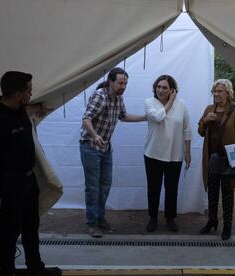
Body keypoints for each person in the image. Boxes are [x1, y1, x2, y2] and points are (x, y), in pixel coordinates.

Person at [0, 71, 61, 276]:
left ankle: (35, 268)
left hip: (27, 181)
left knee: (31, 228)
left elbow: (31, 108)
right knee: (9, 232)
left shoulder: (19, 110)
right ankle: (7, 271)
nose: (31, 93)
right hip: (8, 184)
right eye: (29, 90)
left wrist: (40, 108)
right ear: (17, 94)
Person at [80, 67, 146, 238]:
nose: (123, 86)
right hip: (90, 147)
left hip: (106, 148)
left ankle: (100, 218)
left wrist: (145, 117)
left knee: (105, 185)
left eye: (125, 83)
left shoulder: (118, 98)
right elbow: (86, 118)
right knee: (93, 187)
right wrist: (94, 136)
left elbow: (123, 116)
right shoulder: (99, 96)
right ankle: (92, 223)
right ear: (110, 81)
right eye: (120, 83)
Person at [197, 79, 235, 240]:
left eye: (220, 91)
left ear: (228, 93)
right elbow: (200, 131)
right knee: (212, 192)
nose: (217, 94)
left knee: (227, 194)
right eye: (215, 91)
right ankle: (212, 221)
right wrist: (205, 121)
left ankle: (227, 225)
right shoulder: (209, 109)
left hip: (229, 158)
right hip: (212, 158)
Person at [144, 75, 191, 232]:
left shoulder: (182, 105)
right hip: (153, 154)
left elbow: (187, 129)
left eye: (164, 87)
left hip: (175, 154)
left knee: (172, 189)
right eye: (158, 87)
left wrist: (188, 151)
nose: (160, 90)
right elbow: (157, 117)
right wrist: (170, 102)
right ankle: (153, 217)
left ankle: (170, 218)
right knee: (154, 188)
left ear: (172, 90)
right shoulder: (150, 102)